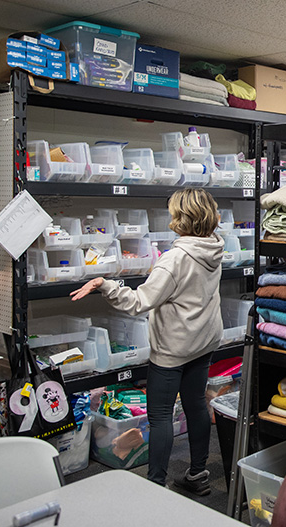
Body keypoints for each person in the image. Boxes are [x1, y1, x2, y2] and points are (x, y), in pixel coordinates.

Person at [71, 188, 224, 495]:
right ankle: (198, 475)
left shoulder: (175, 259)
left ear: (182, 217)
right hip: (204, 341)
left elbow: (140, 302)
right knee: (196, 405)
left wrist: (106, 285)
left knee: (160, 415)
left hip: (173, 349)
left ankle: (155, 486)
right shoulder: (214, 247)